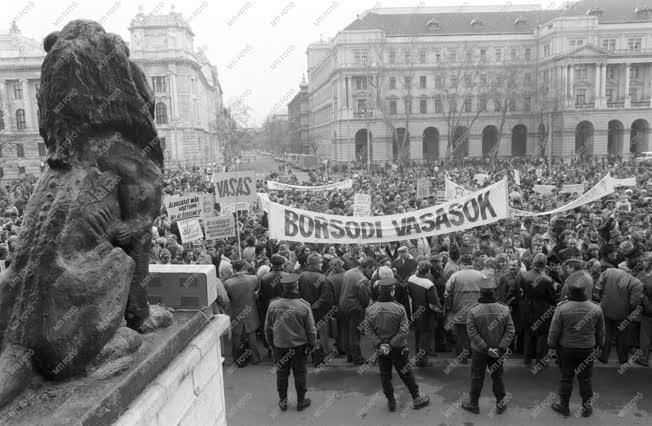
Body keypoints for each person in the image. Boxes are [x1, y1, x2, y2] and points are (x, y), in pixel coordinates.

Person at [363, 277, 430, 412]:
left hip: (381, 349)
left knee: (385, 374)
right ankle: (417, 398)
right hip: (398, 348)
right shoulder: (399, 308)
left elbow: (368, 329)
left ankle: (391, 401)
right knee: (406, 373)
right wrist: (391, 344)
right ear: (392, 291)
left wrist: (381, 344)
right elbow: (404, 330)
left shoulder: (370, 309)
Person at [547, 277, 605, 417]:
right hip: (587, 349)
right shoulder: (596, 308)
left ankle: (564, 407)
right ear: (584, 291)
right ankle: (586, 408)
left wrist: (551, 345)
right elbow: (601, 331)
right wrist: (600, 345)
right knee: (585, 379)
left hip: (566, 349)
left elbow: (554, 330)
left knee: (566, 378)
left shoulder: (562, 307)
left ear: (569, 291)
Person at [264, 273, 317, 412]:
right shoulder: (303, 306)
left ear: (283, 287)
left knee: (281, 374)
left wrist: (270, 343)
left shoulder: (273, 305)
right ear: (296, 286)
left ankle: (283, 402)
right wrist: (312, 345)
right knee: (300, 373)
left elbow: (267, 328)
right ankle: (301, 401)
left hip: (280, 346)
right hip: (299, 347)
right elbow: (311, 330)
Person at [462, 277, 515, 415]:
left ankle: (473, 404)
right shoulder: (504, 309)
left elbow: (472, 333)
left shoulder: (473, 310)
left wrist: (485, 348)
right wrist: (500, 348)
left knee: (477, 377)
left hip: (479, 351)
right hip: (498, 351)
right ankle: (500, 404)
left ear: (480, 292)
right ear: (494, 292)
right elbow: (510, 331)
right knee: (497, 376)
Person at [593, 267, 643, 364]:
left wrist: (601, 299)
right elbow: (634, 302)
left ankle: (603, 357)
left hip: (605, 308)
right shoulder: (637, 283)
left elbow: (598, 287)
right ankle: (622, 359)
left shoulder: (609, 271)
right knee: (622, 337)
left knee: (605, 334)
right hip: (622, 313)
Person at [445, 253, 483, 364]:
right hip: (477, 310)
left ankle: (463, 357)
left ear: (461, 263)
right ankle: (475, 355)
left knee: (461, 334)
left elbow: (447, 294)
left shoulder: (455, 276)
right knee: (475, 333)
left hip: (459, 310)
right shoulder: (481, 275)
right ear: (472, 262)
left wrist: (449, 307)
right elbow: (489, 291)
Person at [522, 253, 556, 368]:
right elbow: (552, 298)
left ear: (533, 262)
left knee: (528, 333)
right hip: (543, 309)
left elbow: (521, 292)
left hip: (527, 307)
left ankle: (527, 358)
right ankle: (540, 360)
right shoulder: (548, 279)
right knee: (542, 335)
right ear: (545, 264)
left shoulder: (524, 276)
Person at [298, 253, 333, 366]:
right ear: (314, 264)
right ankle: (317, 360)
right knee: (318, 335)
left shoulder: (302, 276)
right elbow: (325, 298)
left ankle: (306, 357)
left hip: (303, 310)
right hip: (318, 313)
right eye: (320, 262)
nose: (322, 264)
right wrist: (313, 307)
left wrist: (305, 306)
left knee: (307, 334)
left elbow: (297, 293)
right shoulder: (323, 278)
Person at [224, 260, 261, 366]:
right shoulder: (254, 279)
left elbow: (227, 299)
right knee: (251, 336)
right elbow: (256, 290)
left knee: (237, 337)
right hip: (251, 312)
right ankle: (255, 358)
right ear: (244, 268)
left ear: (234, 269)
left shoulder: (228, 283)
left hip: (236, 312)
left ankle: (239, 360)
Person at [339, 257, 375, 365]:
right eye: (370, 269)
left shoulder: (348, 272)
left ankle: (349, 356)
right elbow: (364, 299)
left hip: (342, 305)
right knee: (355, 334)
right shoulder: (362, 279)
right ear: (367, 267)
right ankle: (357, 358)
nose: (371, 271)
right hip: (355, 308)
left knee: (346, 332)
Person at [407, 260, 442, 366]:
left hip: (415, 311)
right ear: (428, 272)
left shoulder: (411, 279)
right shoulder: (429, 284)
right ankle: (422, 361)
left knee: (418, 336)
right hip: (427, 315)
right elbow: (434, 304)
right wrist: (440, 310)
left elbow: (409, 295)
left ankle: (418, 358)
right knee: (425, 338)